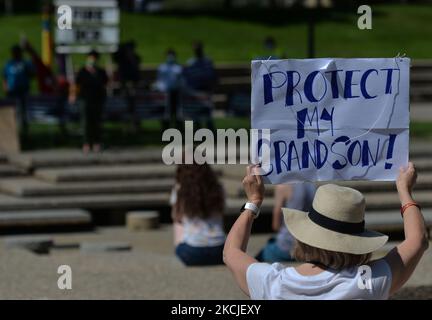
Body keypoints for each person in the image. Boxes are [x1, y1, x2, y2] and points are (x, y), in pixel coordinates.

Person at [224, 163, 429, 299]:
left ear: (305, 235)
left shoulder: (273, 283)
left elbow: (231, 252)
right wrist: (404, 191)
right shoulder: (369, 282)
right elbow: (418, 240)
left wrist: (253, 202)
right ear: (358, 240)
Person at [171, 162, 226, 266]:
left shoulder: (180, 190)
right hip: (220, 251)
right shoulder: (218, 188)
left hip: (191, 253)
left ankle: (179, 249)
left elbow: (176, 217)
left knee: (179, 222)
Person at [255, 183, 316, 263]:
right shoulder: (312, 186)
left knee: (257, 259)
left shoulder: (282, 186)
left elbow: (276, 226)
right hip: (307, 247)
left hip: (287, 246)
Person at [73, 50, 108, 153]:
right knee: (86, 123)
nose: (92, 60)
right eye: (90, 57)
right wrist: (73, 95)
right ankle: (86, 143)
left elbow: (105, 83)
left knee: (97, 123)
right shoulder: (82, 71)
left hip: (98, 100)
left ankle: (97, 143)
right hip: (85, 100)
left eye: (94, 58)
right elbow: (76, 85)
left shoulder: (101, 71)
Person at [183, 41, 217, 132]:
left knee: (207, 114)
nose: (197, 51)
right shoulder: (191, 62)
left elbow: (213, 76)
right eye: (196, 49)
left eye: (199, 49)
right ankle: (198, 134)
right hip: (195, 92)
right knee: (195, 114)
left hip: (206, 91)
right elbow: (187, 77)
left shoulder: (208, 61)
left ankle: (211, 133)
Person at [2, 44, 34, 140]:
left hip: (23, 91)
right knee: (12, 112)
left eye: (17, 52)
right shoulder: (9, 64)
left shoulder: (25, 63)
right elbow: (5, 77)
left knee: (23, 113)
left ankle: (24, 133)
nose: (15, 54)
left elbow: (32, 74)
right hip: (12, 92)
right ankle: (11, 133)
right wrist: (6, 87)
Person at [113, 41, 141, 131]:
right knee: (125, 106)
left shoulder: (135, 59)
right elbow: (115, 57)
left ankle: (133, 125)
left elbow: (136, 73)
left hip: (132, 86)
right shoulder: (122, 59)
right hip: (125, 86)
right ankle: (126, 126)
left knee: (132, 106)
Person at [155, 49, 183, 131]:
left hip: (176, 93)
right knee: (166, 113)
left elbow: (181, 81)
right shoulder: (162, 67)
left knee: (177, 112)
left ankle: (178, 129)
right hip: (165, 94)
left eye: (172, 55)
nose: (170, 57)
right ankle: (166, 129)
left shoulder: (178, 68)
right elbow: (159, 80)